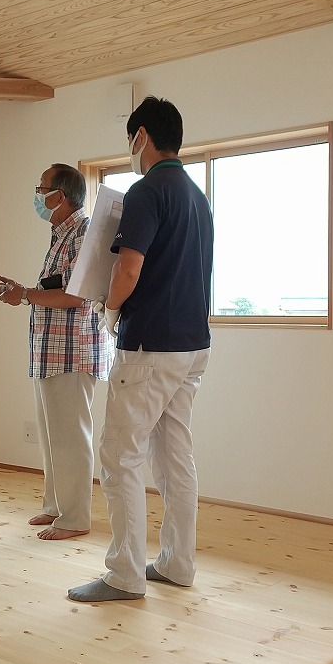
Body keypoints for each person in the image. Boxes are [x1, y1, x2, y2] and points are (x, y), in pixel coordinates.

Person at [68, 97, 213, 602]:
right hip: (192, 345)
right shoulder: (196, 196)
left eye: (130, 139)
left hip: (150, 345)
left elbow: (128, 269)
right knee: (174, 455)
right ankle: (177, 563)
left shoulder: (147, 191)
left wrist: (108, 308)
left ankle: (124, 574)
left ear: (142, 136)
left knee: (120, 456)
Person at [0, 164, 111, 541]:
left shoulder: (83, 233)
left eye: (41, 188)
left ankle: (75, 517)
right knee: (52, 436)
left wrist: (25, 295)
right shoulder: (62, 234)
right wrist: (23, 292)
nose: (37, 194)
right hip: (51, 351)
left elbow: (77, 295)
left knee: (71, 438)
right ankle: (56, 506)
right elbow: (54, 289)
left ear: (59, 196)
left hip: (72, 352)